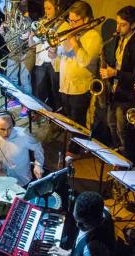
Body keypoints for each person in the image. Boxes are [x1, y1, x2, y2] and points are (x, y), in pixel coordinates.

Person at [50, 0, 102, 157]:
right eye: (70, 20)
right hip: (65, 84)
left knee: (78, 123)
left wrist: (73, 41)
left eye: (75, 21)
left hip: (80, 87)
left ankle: (75, 151)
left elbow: (84, 61)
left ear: (86, 19)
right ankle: (71, 146)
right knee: (68, 120)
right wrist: (53, 56)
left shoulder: (93, 37)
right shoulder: (71, 33)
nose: (71, 24)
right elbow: (59, 63)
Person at [99, 5, 135, 166]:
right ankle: (117, 155)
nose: (118, 28)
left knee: (123, 131)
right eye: (118, 23)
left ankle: (128, 163)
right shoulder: (118, 39)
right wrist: (106, 71)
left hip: (127, 95)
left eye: (123, 24)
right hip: (114, 92)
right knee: (111, 125)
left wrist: (115, 74)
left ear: (133, 25)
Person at [49, 191, 115, 256]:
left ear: (97, 220)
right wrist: (70, 254)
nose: (77, 225)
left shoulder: (92, 250)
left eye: (83, 224)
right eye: (76, 219)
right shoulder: (104, 211)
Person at [0, 111, 44, 186]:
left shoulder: (24, 135)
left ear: (13, 124)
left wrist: (38, 165)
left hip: (21, 181)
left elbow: (38, 148)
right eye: (2, 129)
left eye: (9, 128)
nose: (6, 133)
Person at [31, 0, 62, 111]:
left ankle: (58, 115)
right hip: (41, 62)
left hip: (55, 64)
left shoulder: (63, 24)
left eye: (49, 8)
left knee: (56, 92)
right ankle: (42, 113)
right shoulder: (41, 23)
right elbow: (32, 45)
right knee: (40, 90)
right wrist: (31, 36)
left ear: (57, 9)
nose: (46, 11)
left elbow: (61, 47)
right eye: (45, 8)